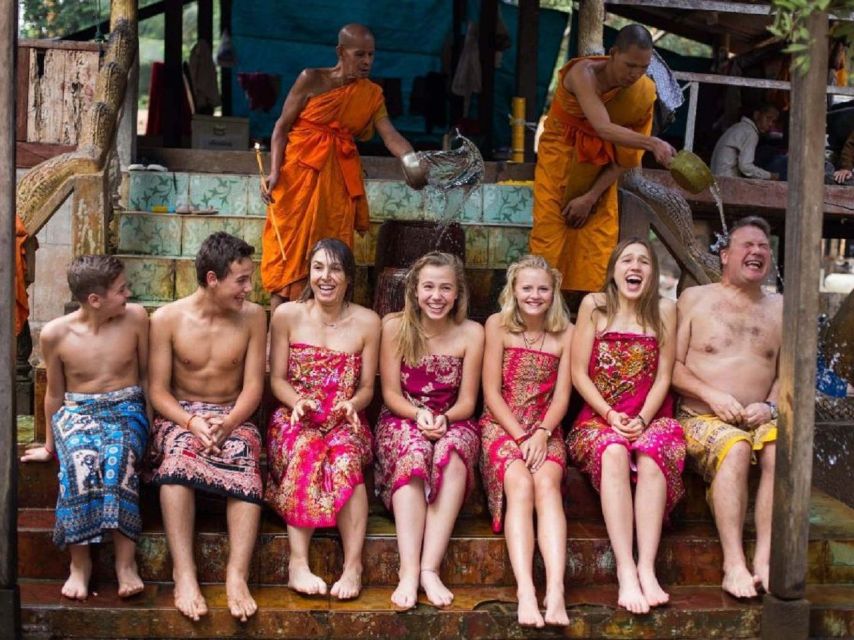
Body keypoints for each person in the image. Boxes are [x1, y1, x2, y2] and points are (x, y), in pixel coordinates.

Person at [260, 23, 425, 308]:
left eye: (371, 55)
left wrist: (411, 159)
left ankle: (327, 328)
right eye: (360, 54)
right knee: (288, 250)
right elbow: (281, 128)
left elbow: (390, 135)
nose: (367, 62)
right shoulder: (310, 79)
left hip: (337, 183)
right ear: (340, 51)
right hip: (297, 176)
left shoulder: (371, 94)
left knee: (332, 251)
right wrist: (274, 171)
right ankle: (279, 331)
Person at [146, 232, 266, 622]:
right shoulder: (166, 320)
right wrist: (191, 421)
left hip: (234, 415)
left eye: (250, 279)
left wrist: (229, 423)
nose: (249, 289)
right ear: (213, 279)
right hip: (181, 416)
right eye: (241, 280)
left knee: (246, 459)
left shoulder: (254, 317)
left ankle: (237, 575)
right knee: (177, 463)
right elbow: (158, 391)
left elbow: (253, 387)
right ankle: (184, 573)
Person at [21, 255, 149, 602]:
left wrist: (154, 430)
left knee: (119, 457)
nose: (129, 294)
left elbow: (148, 377)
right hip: (78, 410)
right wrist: (50, 445)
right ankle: (80, 565)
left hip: (126, 407)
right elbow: (55, 393)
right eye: (121, 290)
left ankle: (125, 563)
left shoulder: (136, 319)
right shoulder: (55, 334)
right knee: (79, 460)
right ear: (95, 300)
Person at [567, 238, 683, 614]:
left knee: (652, 453)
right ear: (614, 270)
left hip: (652, 416)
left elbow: (664, 375)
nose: (635, 267)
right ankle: (626, 569)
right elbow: (577, 373)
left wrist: (643, 419)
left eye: (644, 262)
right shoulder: (594, 307)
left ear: (652, 273)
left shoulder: (665, 310)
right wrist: (610, 415)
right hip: (598, 419)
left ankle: (647, 567)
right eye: (627, 260)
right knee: (614, 450)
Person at [672, 216, 782, 598]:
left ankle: (766, 559)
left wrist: (770, 406)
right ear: (724, 254)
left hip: (760, 417)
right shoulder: (695, 299)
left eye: (763, 246)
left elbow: (791, 375)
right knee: (735, 447)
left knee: (779, 449)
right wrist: (712, 395)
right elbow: (670, 366)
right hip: (700, 416)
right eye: (747, 245)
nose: (756, 252)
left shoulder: (781, 308)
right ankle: (733, 563)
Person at [265, 238, 381, 600]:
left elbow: (367, 388)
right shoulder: (286, 316)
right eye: (318, 268)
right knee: (307, 449)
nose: (325, 277)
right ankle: (297, 564)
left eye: (335, 269)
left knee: (346, 461)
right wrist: (297, 402)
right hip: (295, 417)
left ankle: (353, 566)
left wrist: (353, 404)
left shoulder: (369, 322)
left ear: (349, 277)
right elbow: (276, 379)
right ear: (309, 273)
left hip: (344, 419)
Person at [530, 24, 675, 299]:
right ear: (613, 53)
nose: (634, 75)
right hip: (560, 164)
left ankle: (586, 317)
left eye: (643, 68)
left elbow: (627, 157)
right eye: (629, 65)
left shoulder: (643, 93)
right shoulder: (582, 74)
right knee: (548, 241)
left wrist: (590, 196)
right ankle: (539, 314)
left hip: (600, 176)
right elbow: (603, 128)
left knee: (597, 249)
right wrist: (653, 142)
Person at [374, 252, 484, 609]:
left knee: (451, 453)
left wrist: (446, 419)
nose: (436, 296)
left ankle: (429, 568)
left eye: (445, 288)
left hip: (454, 418)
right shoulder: (394, 327)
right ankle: (408, 571)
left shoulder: (472, 333)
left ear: (457, 294)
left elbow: (469, 400)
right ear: (415, 290)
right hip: (403, 417)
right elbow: (390, 394)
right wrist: (418, 415)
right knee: (414, 452)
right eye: (429, 287)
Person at [479, 255, 574, 628]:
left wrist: (542, 433)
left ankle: (556, 590)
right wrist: (519, 435)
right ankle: (526, 592)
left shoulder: (567, 332)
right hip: (501, 425)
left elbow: (562, 398)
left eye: (543, 289)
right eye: (527, 288)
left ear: (553, 293)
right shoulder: (497, 326)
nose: (535, 295)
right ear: (513, 291)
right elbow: (491, 391)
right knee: (519, 481)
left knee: (546, 482)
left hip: (545, 427)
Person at [710, 104, 780, 180]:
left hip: (716, 176)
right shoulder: (750, 132)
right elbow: (746, 167)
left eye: (773, 121)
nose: (770, 124)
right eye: (768, 118)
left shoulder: (739, 127)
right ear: (756, 115)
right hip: (727, 179)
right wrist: (770, 176)